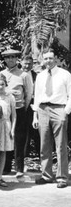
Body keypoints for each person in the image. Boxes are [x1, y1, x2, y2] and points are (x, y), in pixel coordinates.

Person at [33, 49, 71, 188]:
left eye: (50, 58)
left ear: (55, 59)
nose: (48, 61)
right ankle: (47, 175)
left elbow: (70, 94)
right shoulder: (41, 76)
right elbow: (36, 96)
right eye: (45, 59)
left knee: (61, 145)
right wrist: (35, 115)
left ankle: (62, 177)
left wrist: (65, 111)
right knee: (44, 144)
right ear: (43, 60)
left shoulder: (65, 74)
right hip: (43, 109)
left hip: (59, 109)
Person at [0, 48, 33, 177]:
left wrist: (23, 107)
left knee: (19, 139)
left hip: (19, 109)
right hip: (4, 110)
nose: (10, 60)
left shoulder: (23, 75)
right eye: (8, 57)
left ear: (17, 59)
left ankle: (19, 168)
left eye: (13, 57)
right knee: (5, 137)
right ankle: (6, 167)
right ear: (5, 59)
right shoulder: (1, 74)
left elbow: (28, 94)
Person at [0, 74, 16, 187]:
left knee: (3, 152)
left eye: (2, 84)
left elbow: (14, 115)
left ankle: (0, 176)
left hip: (6, 124)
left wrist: (12, 129)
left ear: (5, 85)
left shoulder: (10, 97)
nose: (0, 87)